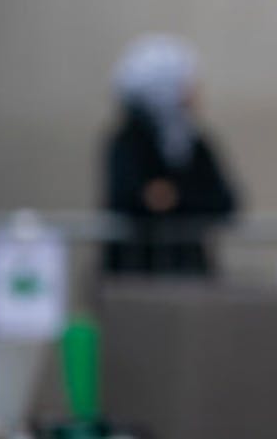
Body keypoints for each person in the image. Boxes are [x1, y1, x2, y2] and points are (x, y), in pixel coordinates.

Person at [102, 34, 240, 276]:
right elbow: (128, 197)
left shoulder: (193, 143)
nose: (195, 92)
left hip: (187, 270)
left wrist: (174, 196)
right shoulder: (129, 140)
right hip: (134, 271)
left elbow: (225, 201)